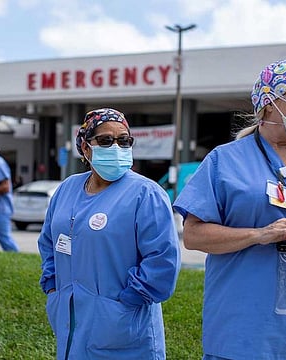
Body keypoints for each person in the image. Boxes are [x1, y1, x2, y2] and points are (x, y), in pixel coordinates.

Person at [173, 60, 286, 359]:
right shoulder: (224, 161)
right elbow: (193, 236)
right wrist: (259, 234)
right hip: (241, 330)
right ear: (268, 104)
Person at [38, 108, 180, 359]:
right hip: (70, 319)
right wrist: (53, 287)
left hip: (123, 326)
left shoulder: (146, 194)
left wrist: (124, 303)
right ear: (84, 147)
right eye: (105, 140)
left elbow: (162, 261)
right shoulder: (67, 189)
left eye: (124, 141)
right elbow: (49, 243)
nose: (116, 147)